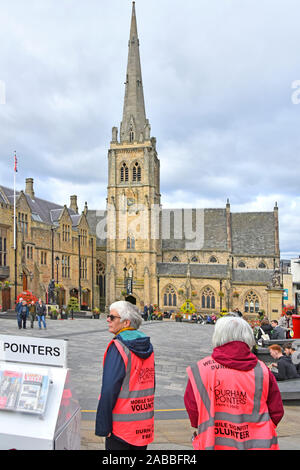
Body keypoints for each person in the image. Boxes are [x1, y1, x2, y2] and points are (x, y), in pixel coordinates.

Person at [184, 315, 284, 450]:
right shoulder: (262, 370)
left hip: (214, 443)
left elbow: (193, 409)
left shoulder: (200, 369)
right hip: (260, 444)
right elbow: (276, 410)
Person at [95, 300, 155, 451]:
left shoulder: (118, 346)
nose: (107, 319)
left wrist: (103, 425)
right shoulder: (148, 346)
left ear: (126, 322)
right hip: (143, 424)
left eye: (112, 317)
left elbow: (109, 388)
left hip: (121, 428)